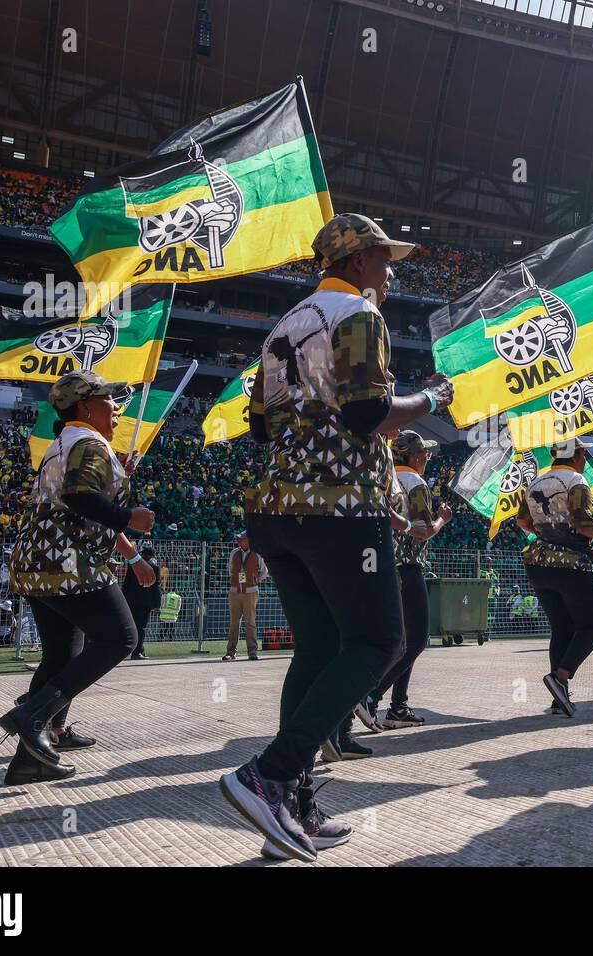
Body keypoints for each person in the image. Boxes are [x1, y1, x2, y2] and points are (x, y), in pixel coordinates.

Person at [219, 213, 453, 863]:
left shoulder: (284, 327)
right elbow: (368, 414)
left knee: (319, 643)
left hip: (276, 509)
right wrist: (431, 396)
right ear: (354, 263)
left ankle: (288, 805)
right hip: (339, 506)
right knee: (380, 640)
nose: (391, 271)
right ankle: (269, 775)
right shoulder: (360, 316)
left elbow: (262, 429)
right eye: (383, 258)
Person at [0, 370, 155, 786]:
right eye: (107, 399)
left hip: (36, 562)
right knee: (121, 638)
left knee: (59, 656)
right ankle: (34, 716)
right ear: (85, 406)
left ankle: (31, 757)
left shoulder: (64, 443)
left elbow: (77, 497)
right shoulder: (88, 443)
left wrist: (114, 477)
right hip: (69, 562)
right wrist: (128, 517)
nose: (117, 407)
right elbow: (78, 497)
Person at [358, 430, 452, 731]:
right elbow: (423, 530)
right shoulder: (415, 482)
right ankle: (371, 696)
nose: (426, 456)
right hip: (407, 565)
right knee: (417, 639)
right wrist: (442, 519)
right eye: (423, 452)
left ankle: (398, 707)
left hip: (382, 563)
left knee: (404, 639)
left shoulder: (384, 476)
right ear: (412, 455)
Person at [517, 436, 593, 716]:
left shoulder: (536, 482)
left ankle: (559, 696)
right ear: (575, 456)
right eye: (583, 456)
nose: (585, 461)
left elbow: (523, 521)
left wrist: (546, 532)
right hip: (571, 564)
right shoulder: (576, 482)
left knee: (561, 628)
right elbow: (584, 525)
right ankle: (560, 678)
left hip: (538, 563)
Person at [223, 531, 263, 661]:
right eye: (239, 539)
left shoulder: (257, 553)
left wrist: (254, 580)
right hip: (235, 591)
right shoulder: (234, 553)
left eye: (242, 539)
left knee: (250, 622)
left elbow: (264, 572)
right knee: (234, 623)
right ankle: (231, 652)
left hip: (251, 592)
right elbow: (230, 570)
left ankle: (252, 651)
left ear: (249, 540)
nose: (240, 541)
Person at [123, 544, 162, 660]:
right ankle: (137, 651)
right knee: (141, 627)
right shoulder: (154, 568)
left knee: (133, 626)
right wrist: (157, 605)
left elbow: (126, 584)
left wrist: (124, 600)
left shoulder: (132, 566)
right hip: (145, 602)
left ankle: (139, 649)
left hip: (130, 600)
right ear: (151, 556)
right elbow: (156, 587)